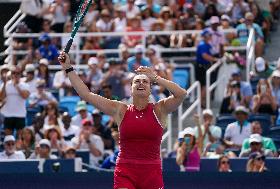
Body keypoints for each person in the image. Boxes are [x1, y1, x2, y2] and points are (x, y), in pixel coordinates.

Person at [58, 51, 187, 189]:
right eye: (137, 81)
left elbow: (181, 94)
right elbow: (86, 94)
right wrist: (68, 68)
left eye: (145, 81)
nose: (141, 83)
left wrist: (156, 77)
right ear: (131, 89)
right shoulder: (121, 109)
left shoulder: (159, 109)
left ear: (150, 89)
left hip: (152, 171)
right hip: (125, 170)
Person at [0, 66, 30, 136]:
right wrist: (4, 83)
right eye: (13, 73)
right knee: (8, 138)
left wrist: (16, 86)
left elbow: (25, 96)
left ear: (20, 74)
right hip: (8, 115)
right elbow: (1, 97)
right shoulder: (5, 85)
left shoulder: (25, 85)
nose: (15, 75)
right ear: (11, 74)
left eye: (18, 73)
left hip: (20, 115)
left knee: (20, 138)